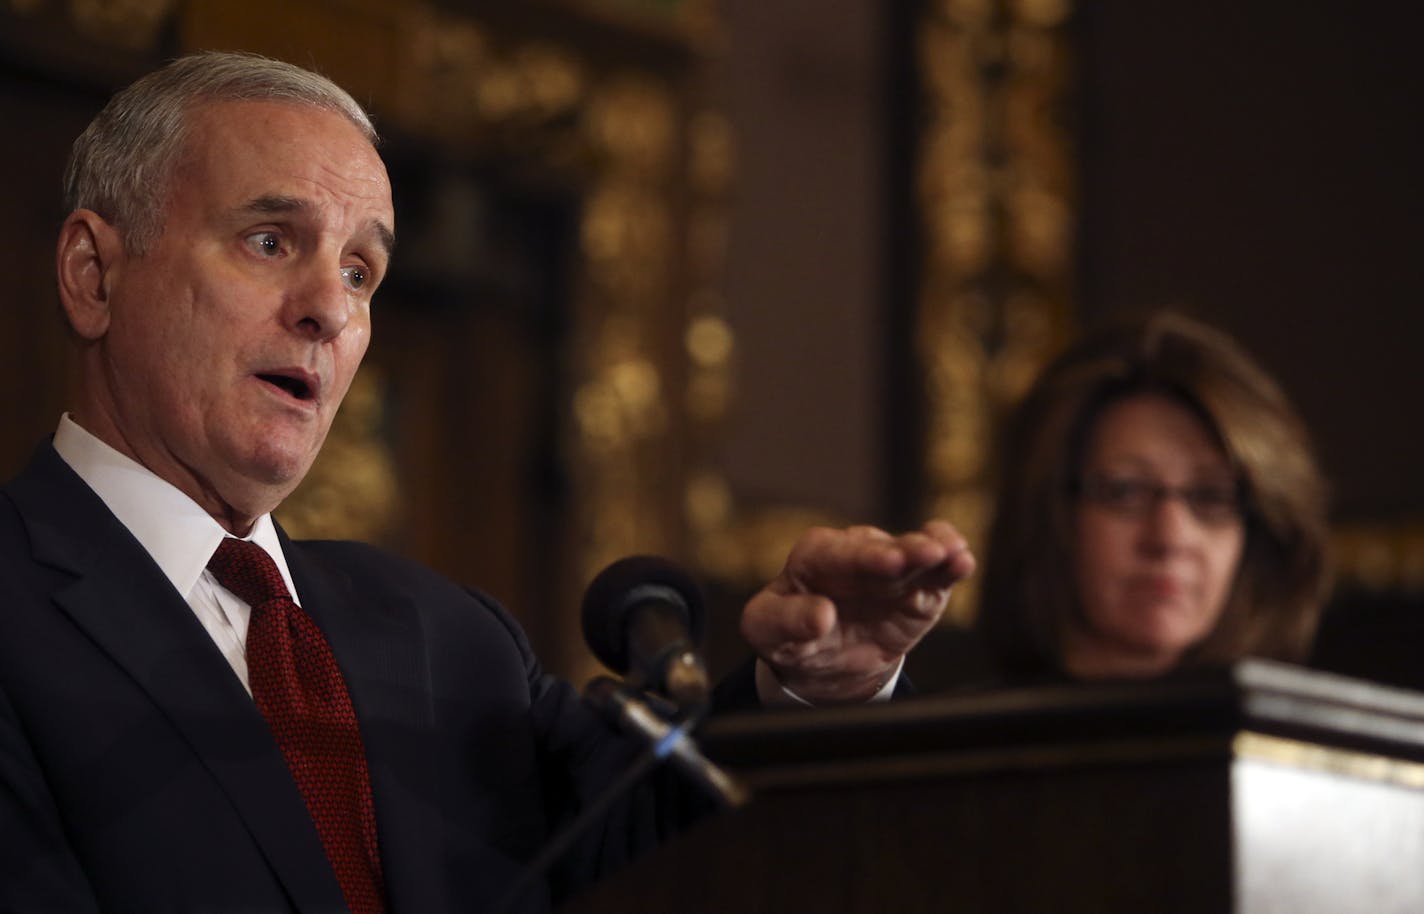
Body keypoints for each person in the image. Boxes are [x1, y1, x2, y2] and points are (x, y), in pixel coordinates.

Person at [0, 52, 974, 913]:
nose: (326, 312)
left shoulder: (449, 640)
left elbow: (672, 851)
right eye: (269, 241)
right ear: (94, 273)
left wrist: (810, 691)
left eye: (359, 271)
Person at [973, 311, 1330, 682]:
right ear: (1051, 512)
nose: (1170, 538)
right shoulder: (963, 734)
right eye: (1125, 491)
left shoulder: (1293, 737)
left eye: (1211, 497)